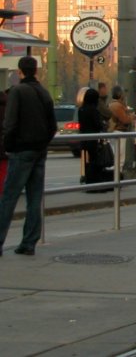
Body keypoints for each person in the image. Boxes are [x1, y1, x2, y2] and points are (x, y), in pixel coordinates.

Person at [0, 56, 57, 256]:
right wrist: (42, 143)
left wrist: (8, 145)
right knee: (34, 198)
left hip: (20, 151)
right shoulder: (44, 92)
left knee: (9, 197)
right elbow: (53, 126)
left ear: (19, 71)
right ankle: (29, 242)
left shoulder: (17, 91)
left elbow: (10, 123)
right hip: (39, 151)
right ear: (36, 71)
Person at [77, 87, 111, 188]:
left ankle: (87, 177)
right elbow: (98, 125)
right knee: (94, 159)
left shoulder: (81, 109)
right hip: (93, 138)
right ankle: (95, 180)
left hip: (84, 137)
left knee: (86, 160)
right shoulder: (93, 110)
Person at [108, 84, 136, 178]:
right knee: (120, 157)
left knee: (117, 155)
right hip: (118, 131)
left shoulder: (112, 104)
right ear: (120, 94)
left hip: (114, 131)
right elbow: (125, 120)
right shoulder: (117, 106)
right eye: (123, 93)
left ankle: (115, 176)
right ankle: (117, 177)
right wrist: (131, 117)